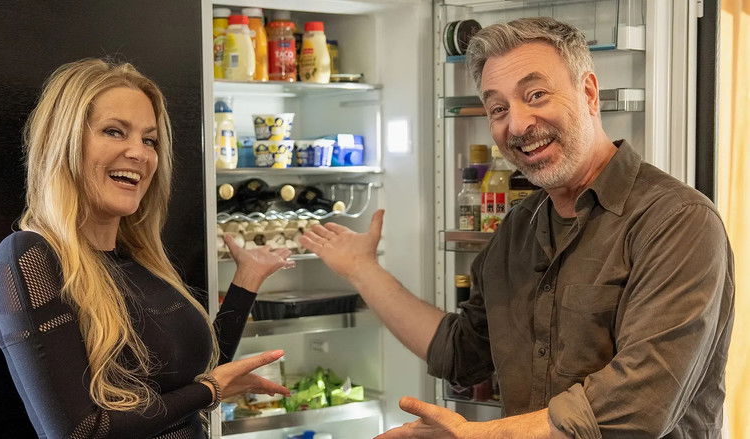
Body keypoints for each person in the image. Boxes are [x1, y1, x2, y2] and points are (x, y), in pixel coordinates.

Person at [301, 17, 734, 439]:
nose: (518, 124)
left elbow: (642, 403)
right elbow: (462, 352)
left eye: (537, 95)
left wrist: (481, 435)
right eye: (498, 109)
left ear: (588, 93)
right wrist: (362, 269)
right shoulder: (520, 226)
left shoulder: (676, 220)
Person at [0, 58, 293, 439]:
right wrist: (209, 390)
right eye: (114, 132)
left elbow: (200, 379)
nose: (140, 153)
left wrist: (247, 280)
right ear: (64, 142)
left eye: (149, 140)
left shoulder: (144, 263)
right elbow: (79, 431)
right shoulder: (29, 257)